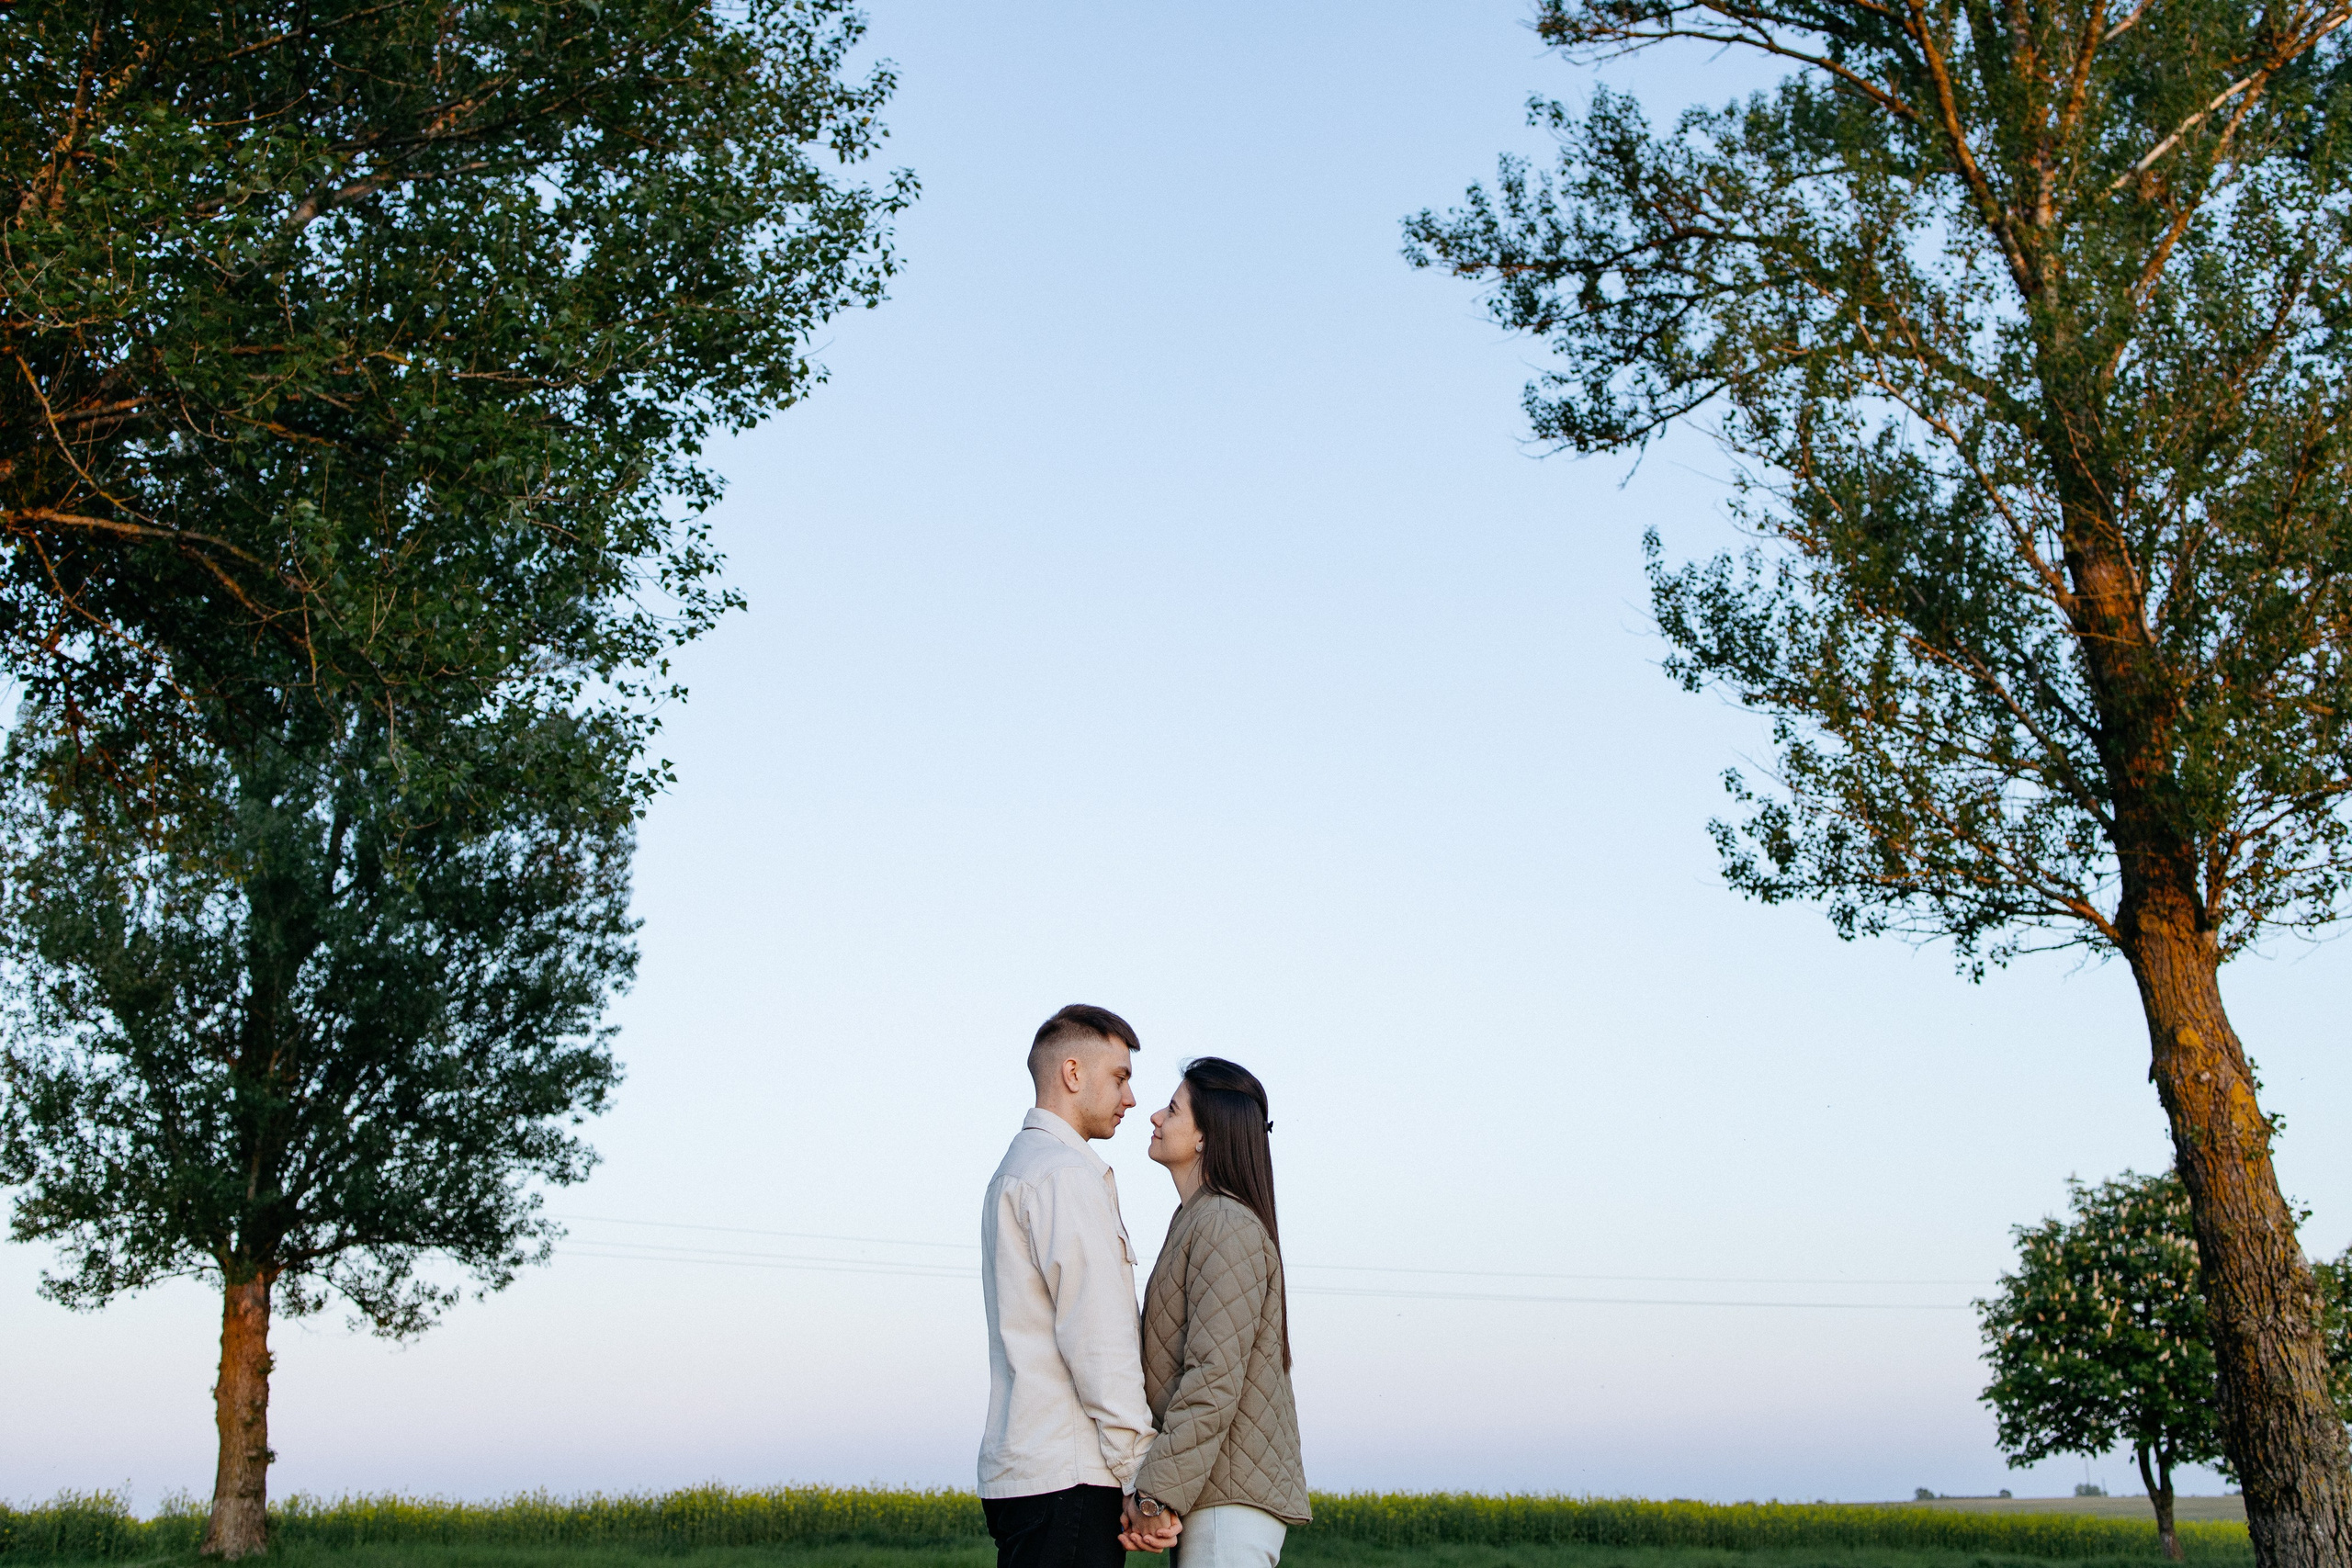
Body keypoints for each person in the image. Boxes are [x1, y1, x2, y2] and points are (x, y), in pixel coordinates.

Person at [978, 1004, 1172, 1568]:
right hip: (1068, 1479)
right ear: (1072, 1073)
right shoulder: (1065, 1175)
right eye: (1120, 1078)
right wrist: (1144, 1479)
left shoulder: (1017, 1169)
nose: (1132, 1099)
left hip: (1029, 1475)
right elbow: (1098, 1339)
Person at [1120, 1058, 1308, 1568]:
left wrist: (1154, 1496)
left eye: (1173, 1109)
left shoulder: (1225, 1224)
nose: (1154, 1116)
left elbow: (1212, 1379)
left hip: (1230, 1504)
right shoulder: (1198, 1219)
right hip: (1213, 1495)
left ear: (1206, 1136)